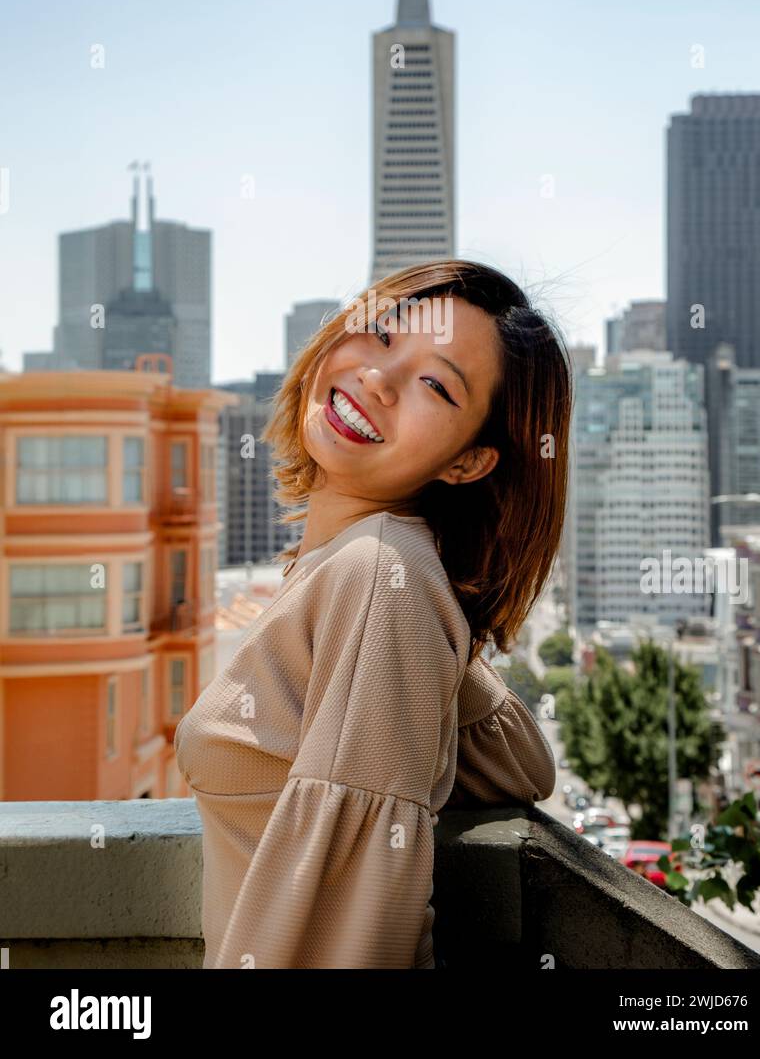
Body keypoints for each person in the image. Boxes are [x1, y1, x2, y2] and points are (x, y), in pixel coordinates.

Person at [174, 259, 572, 968]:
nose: (378, 379)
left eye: (435, 384)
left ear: (468, 463)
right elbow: (518, 763)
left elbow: (341, 936)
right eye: (382, 335)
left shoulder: (378, 573)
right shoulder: (360, 570)